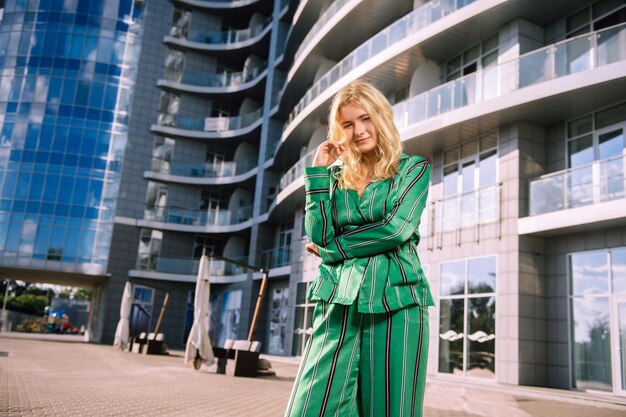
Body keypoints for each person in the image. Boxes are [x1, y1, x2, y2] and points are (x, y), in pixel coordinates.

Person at [285, 80, 434, 417]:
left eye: (365, 119)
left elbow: (395, 229)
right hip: (338, 302)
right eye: (348, 124)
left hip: (397, 304)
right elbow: (319, 234)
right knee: (308, 409)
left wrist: (334, 252)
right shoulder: (335, 177)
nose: (359, 131)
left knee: (390, 410)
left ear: (381, 117)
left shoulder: (413, 169)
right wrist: (319, 174)